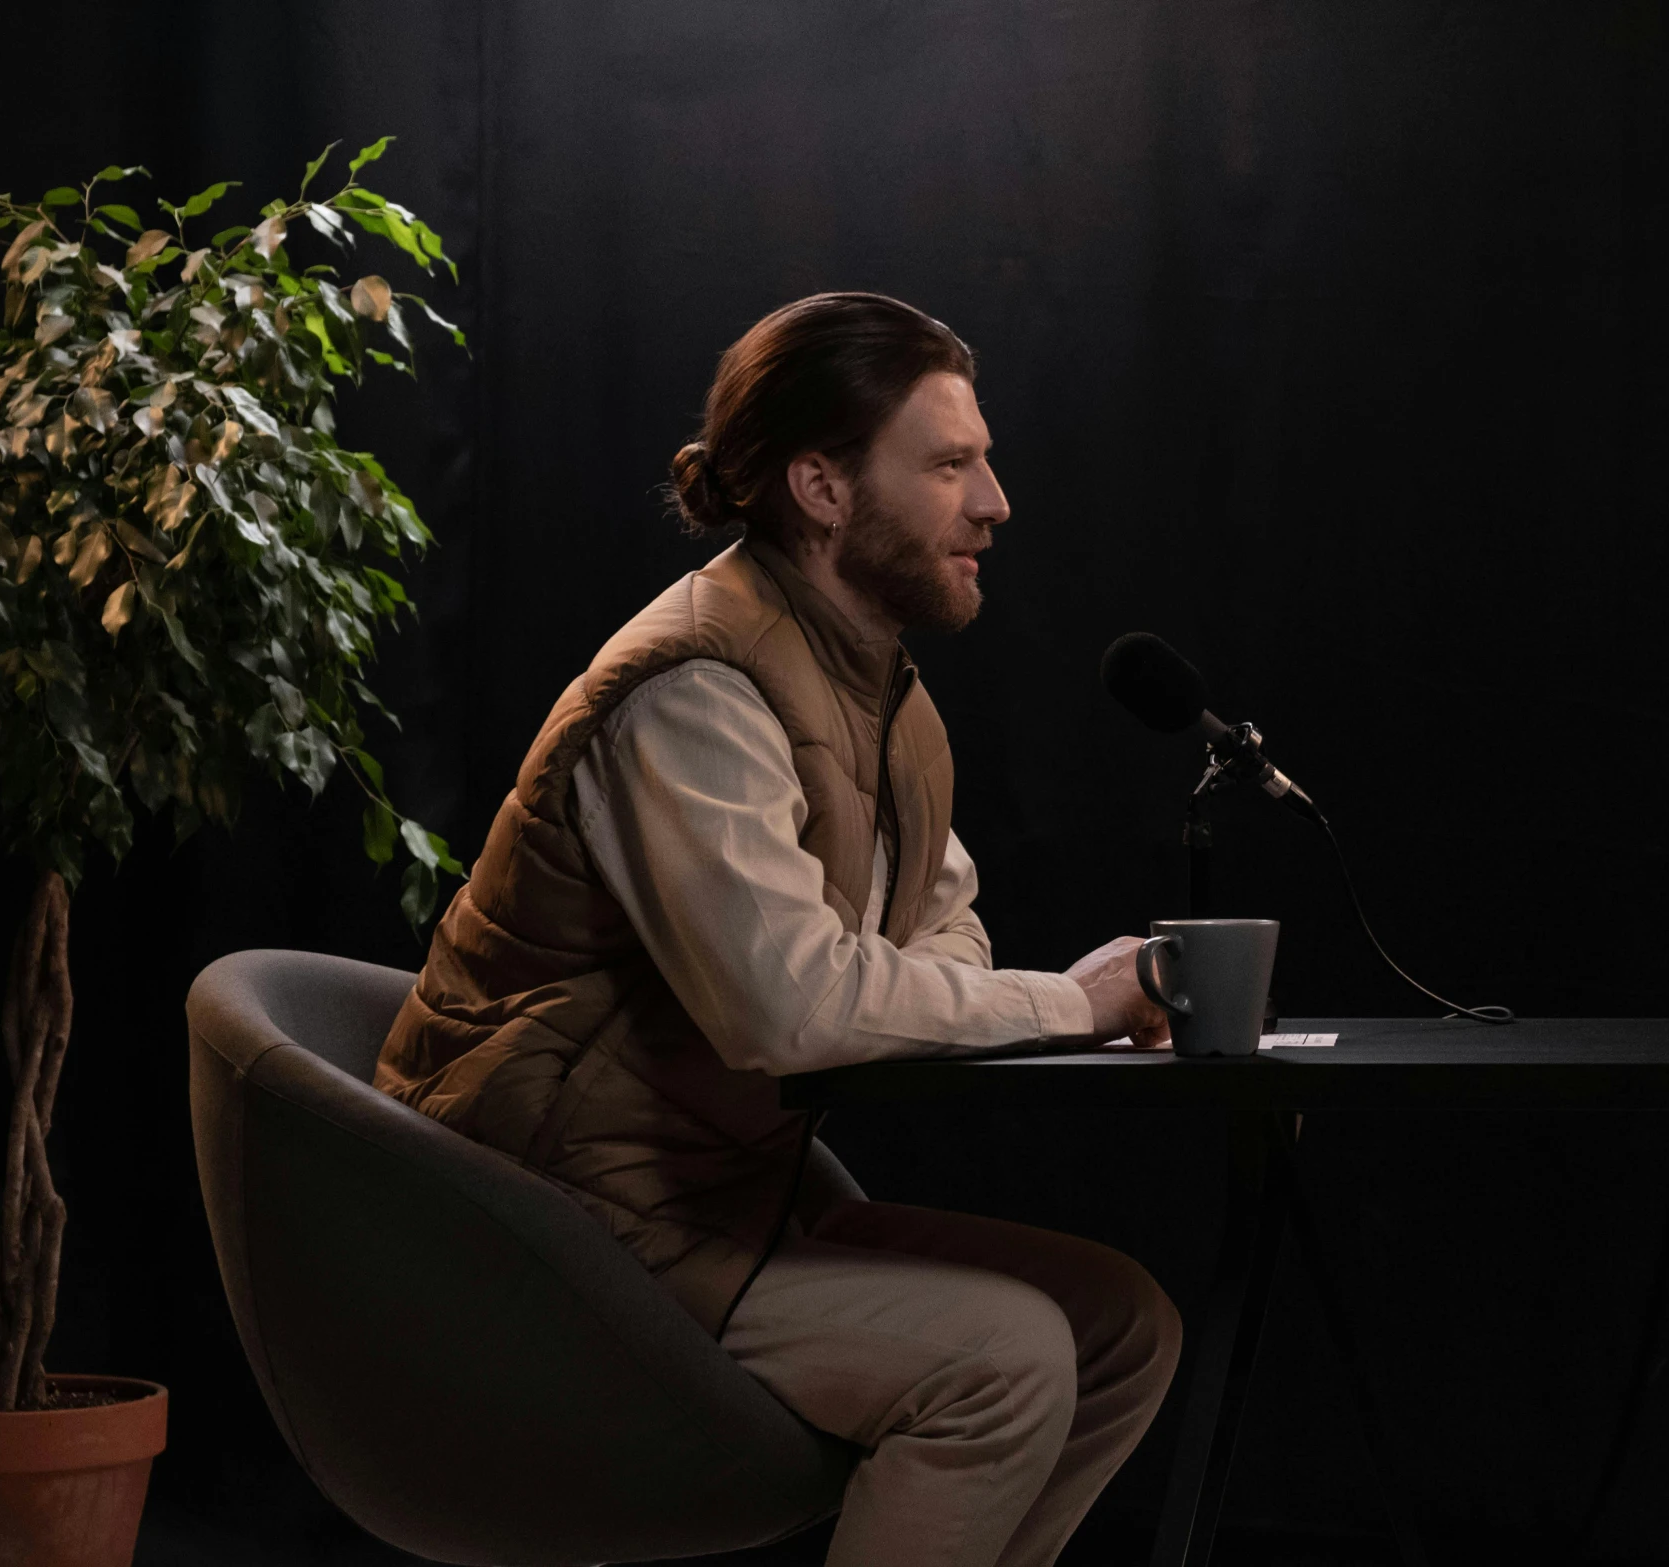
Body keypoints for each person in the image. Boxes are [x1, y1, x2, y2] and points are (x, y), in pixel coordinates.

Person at [376, 292, 1183, 1567]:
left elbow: (941, 936)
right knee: (1009, 1362)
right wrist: (1075, 1002)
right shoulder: (695, 687)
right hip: (554, 1224)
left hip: (720, 1196)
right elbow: (794, 1009)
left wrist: (900, 985)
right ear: (820, 485)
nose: (995, 503)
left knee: (1120, 1325)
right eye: (950, 463)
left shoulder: (886, 698)